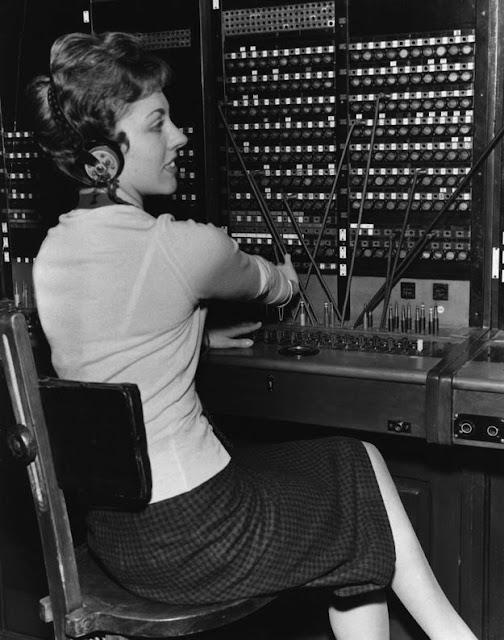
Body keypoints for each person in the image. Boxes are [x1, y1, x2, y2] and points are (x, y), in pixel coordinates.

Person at [28, 31, 477, 640]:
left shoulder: (52, 253)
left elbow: (108, 346)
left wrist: (198, 337)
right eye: (159, 123)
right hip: (200, 536)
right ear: (106, 154)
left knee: (343, 487)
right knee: (357, 463)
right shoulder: (181, 245)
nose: (180, 137)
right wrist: (287, 285)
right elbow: (272, 284)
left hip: (116, 538)